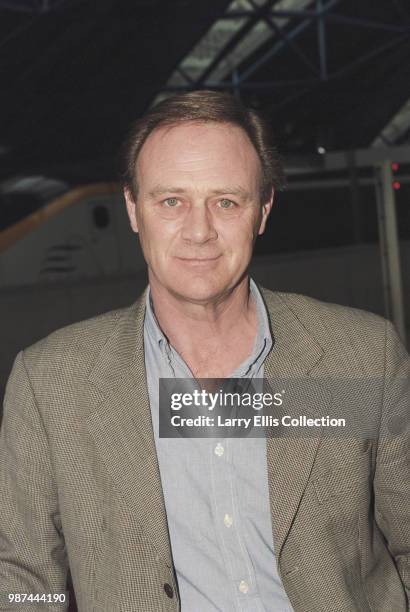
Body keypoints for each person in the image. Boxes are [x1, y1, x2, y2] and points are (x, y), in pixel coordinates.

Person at [0, 90, 409, 612]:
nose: (199, 231)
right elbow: (22, 579)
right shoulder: (51, 383)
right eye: (171, 201)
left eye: (226, 202)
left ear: (262, 210)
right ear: (133, 208)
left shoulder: (360, 357)